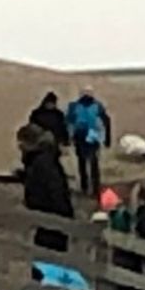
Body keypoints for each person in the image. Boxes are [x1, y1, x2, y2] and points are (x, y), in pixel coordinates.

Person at [17, 123, 74, 253]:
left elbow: (54, 190)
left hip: (51, 218)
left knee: (48, 258)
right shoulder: (42, 159)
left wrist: (62, 220)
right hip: (47, 217)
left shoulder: (42, 162)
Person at [66, 88, 113, 198]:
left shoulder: (97, 105)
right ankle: (85, 187)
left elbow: (106, 120)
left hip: (92, 135)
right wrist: (68, 137)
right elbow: (68, 121)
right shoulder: (74, 106)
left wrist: (107, 138)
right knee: (82, 162)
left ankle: (95, 188)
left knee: (93, 162)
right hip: (80, 135)